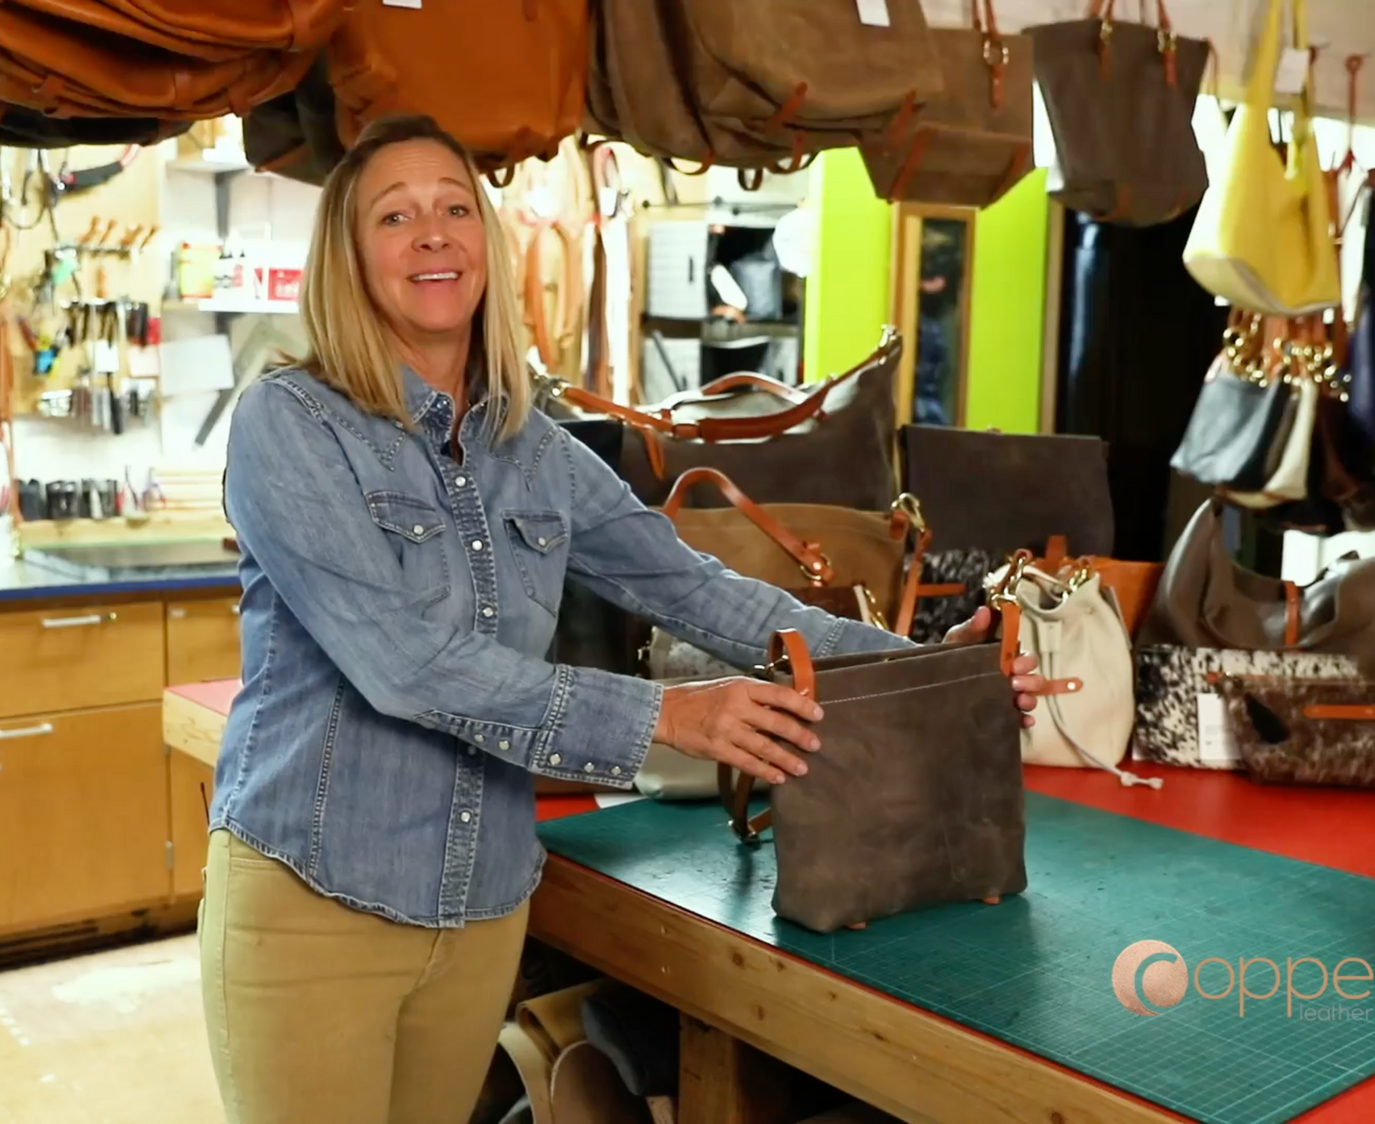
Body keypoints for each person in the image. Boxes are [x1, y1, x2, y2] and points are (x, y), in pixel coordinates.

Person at [201, 114, 1052, 1124]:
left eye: (453, 207)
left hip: (479, 910)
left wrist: (926, 669)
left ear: (485, 241)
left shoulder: (534, 446)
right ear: (347, 259)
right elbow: (404, 664)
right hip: (313, 902)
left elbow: (702, 591)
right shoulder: (289, 423)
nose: (431, 234)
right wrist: (667, 715)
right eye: (394, 215)